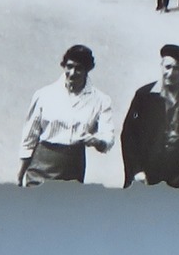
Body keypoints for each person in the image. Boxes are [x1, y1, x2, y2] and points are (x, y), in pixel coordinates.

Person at [17, 44, 116, 185]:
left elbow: (108, 136)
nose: (72, 72)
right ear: (63, 66)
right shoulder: (44, 95)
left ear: (87, 70)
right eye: (69, 66)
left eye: (79, 68)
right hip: (40, 167)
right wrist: (20, 174)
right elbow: (29, 137)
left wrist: (96, 141)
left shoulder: (100, 100)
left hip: (73, 168)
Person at [121, 44, 179, 188]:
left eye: (177, 68)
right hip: (148, 173)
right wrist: (136, 171)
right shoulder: (144, 95)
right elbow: (128, 135)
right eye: (168, 67)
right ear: (161, 66)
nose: (171, 73)